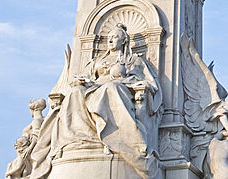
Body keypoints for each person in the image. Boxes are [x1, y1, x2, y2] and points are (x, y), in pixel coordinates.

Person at [49, 23, 162, 178]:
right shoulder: (98, 60)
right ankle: (81, 137)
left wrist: (132, 81)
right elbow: (85, 76)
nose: (110, 40)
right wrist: (81, 81)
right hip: (93, 87)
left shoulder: (133, 60)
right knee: (75, 93)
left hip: (120, 87)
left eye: (114, 37)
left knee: (110, 88)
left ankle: (115, 136)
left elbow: (149, 82)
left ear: (123, 41)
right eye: (109, 38)